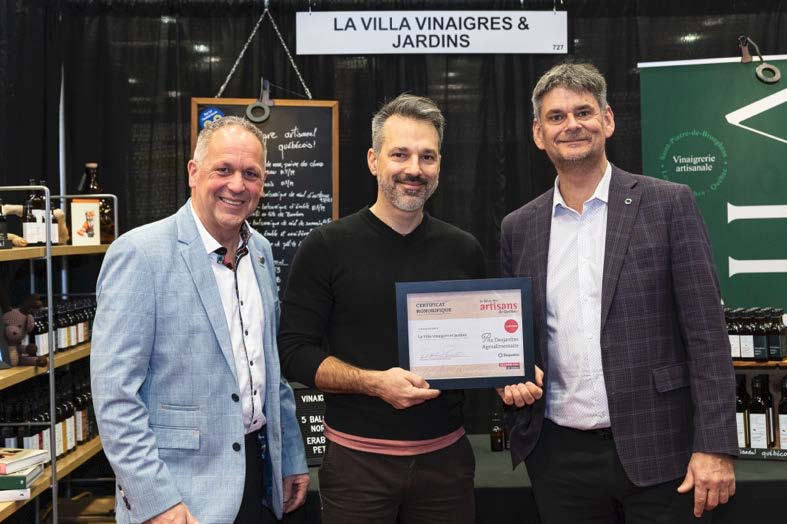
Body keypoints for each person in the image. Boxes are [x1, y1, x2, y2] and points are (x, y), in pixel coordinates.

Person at [498, 62, 738, 523]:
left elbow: (708, 336)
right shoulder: (519, 227)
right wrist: (510, 371)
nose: (571, 125)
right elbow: (517, 335)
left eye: (584, 112)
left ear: (607, 120)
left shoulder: (669, 204)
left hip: (663, 450)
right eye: (556, 116)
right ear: (538, 133)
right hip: (558, 458)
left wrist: (715, 445)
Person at [278, 93, 485, 524]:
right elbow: (294, 352)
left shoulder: (464, 250)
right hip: (357, 467)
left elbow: (482, 348)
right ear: (374, 160)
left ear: (440, 165)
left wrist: (511, 371)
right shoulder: (326, 247)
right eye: (400, 154)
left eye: (427, 156)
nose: (414, 169)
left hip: (447, 463)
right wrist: (374, 383)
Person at [91, 116, 309, 524]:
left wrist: (291, 456)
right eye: (223, 169)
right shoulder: (140, 254)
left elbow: (271, 368)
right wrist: (156, 501)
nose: (237, 185)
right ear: (193, 173)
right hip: (178, 493)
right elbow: (115, 396)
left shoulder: (260, 252)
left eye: (251, 174)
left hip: (256, 477)